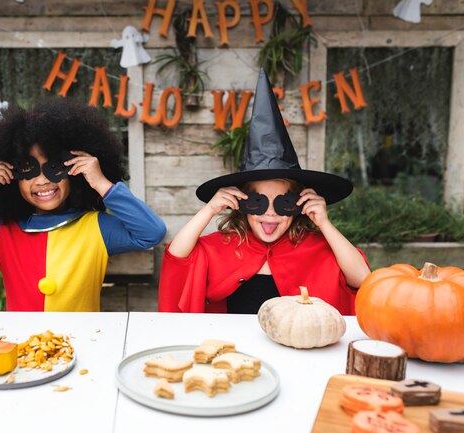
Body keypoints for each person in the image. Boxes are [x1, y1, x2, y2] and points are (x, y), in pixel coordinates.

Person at [0, 98, 166, 312]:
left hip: (84, 347)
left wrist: (102, 183)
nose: (42, 180)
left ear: (74, 169)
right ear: (9, 178)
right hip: (24, 350)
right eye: (27, 170)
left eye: (55, 167)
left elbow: (151, 233)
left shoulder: (96, 228)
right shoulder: (0, 231)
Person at [158, 70, 370, 315]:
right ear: (241, 203)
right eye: (258, 202)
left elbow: (362, 279)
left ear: (300, 204)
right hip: (236, 350)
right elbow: (176, 259)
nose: (270, 214)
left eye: (283, 204)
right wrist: (208, 210)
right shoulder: (225, 246)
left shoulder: (318, 249)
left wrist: (325, 224)